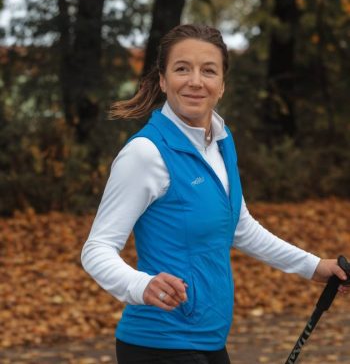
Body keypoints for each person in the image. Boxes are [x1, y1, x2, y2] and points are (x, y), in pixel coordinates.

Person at [81, 24, 349, 364]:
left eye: (208, 71)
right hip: (158, 345)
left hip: (209, 341)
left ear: (221, 85)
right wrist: (140, 285)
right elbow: (97, 249)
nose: (195, 81)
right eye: (182, 69)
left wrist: (314, 267)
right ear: (163, 80)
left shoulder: (221, 143)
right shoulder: (146, 153)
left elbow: (239, 226)